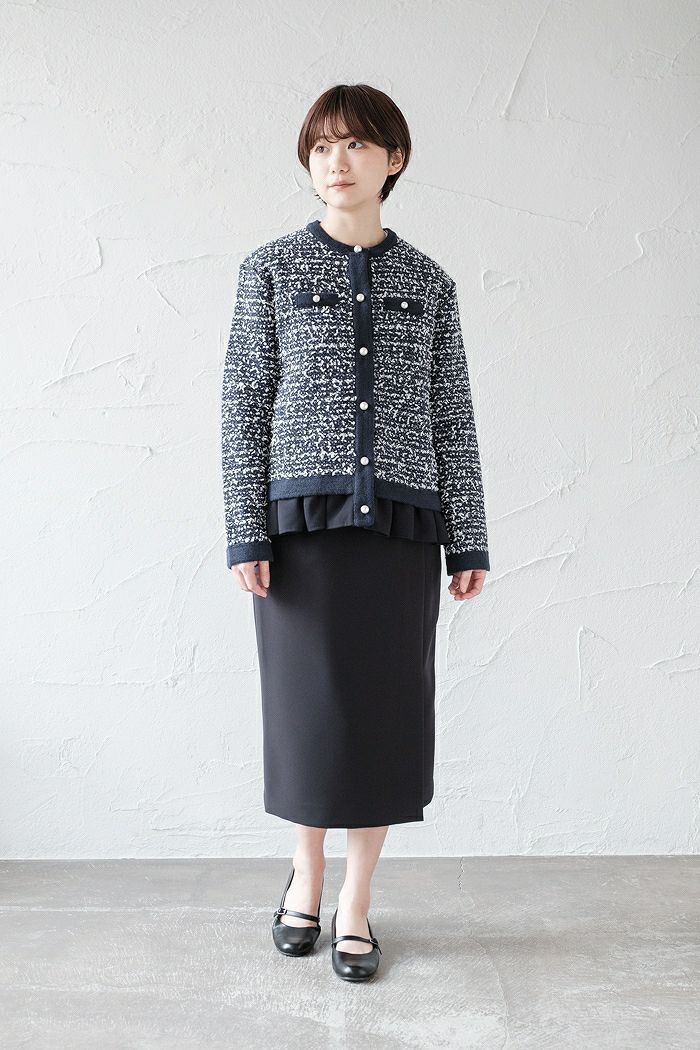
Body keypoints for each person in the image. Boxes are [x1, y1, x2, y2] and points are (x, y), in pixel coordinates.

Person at [221, 83, 490, 981]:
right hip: (298, 533)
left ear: (393, 159)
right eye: (321, 147)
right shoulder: (269, 271)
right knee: (309, 717)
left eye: (355, 145)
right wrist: (245, 531)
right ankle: (304, 880)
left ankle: (356, 903)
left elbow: (452, 416)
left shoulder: (430, 283)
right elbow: (243, 407)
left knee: (384, 718)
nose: (335, 162)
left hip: (403, 531)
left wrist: (469, 539)